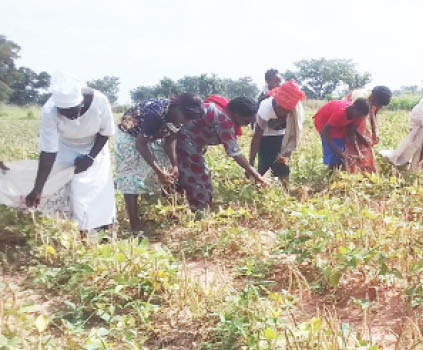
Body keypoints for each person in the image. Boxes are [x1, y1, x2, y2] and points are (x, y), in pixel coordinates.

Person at [23, 72, 117, 232]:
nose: (70, 116)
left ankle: (105, 231)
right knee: (75, 193)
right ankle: (81, 233)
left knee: (100, 191)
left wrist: (90, 157)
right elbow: (48, 151)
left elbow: (106, 131)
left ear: (81, 102)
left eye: (73, 110)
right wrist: (38, 188)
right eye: (64, 112)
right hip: (66, 147)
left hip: (96, 147)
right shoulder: (49, 111)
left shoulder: (99, 100)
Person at [113, 94, 204, 232]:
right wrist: (158, 171)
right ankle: (135, 224)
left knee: (168, 172)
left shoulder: (177, 117)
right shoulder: (155, 114)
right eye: (186, 118)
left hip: (151, 135)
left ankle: (173, 212)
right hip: (130, 136)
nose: (186, 122)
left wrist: (174, 165)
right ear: (178, 109)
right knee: (131, 177)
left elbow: (170, 141)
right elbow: (140, 144)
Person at [176, 96, 267, 209]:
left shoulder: (222, 110)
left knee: (190, 173)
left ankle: (180, 202)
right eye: (246, 121)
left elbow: (203, 124)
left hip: (189, 140)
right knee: (198, 175)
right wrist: (255, 173)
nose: (246, 125)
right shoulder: (225, 120)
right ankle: (199, 208)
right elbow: (235, 152)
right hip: (185, 139)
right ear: (237, 114)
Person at [249, 80, 306, 185]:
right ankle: (262, 189)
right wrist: (250, 164)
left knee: (283, 166)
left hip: (282, 134)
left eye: (288, 112)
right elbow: (257, 137)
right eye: (283, 110)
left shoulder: (296, 110)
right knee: (265, 165)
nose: (285, 114)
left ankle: (286, 192)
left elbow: (293, 136)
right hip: (265, 135)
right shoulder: (265, 108)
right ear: (277, 105)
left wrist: (286, 154)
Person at [312, 98, 371, 171]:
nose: (358, 118)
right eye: (358, 116)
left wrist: (358, 152)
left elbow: (352, 132)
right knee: (334, 152)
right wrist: (338, 151)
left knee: (341, 145)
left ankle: (339, 169)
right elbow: (325, 133)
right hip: (323, 121)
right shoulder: (340, 113)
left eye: (360, 117)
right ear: (353, 108)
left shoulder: (359, 115)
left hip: (337, 122)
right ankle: (332, 172)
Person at [344, 86, 392, 173]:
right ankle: (353, 172)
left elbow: (373, 113)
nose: (379, 106)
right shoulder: (359, 99)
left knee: (367, 144)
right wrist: (362, 139)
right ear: (374, 97)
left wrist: (375, 132)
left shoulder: (375, 100)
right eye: (379, 104)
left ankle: (368, 171)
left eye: (381, 105)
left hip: (359, 115)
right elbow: (352, 127)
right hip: (350, 117)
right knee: (354, 144)